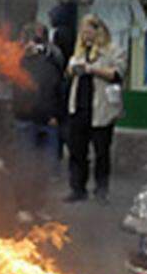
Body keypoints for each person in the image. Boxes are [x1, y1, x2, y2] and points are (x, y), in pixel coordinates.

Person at [64, 13, 125, 203]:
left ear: (99, 31)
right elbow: (68, 72)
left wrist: (93, 70)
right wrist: (74, 68)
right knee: (77, 151)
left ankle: (101, 191)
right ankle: (77, 188)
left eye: (89, 31)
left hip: (101, 109)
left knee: (101, 152)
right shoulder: (80, 52)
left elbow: (118, 73)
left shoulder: (113, 50)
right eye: (83, 32)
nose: (85, 36)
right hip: (79, 107)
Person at [12, 21, 66, 199]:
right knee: (25, 166)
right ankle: (23, 205)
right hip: (26, 119)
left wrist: (56, 114)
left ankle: (38, 205)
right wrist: (24, 56)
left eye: (37, 39)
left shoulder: (52, 57)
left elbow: (57, 86)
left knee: (45, 169)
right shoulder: (18, 59)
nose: (33, 44)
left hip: (47, 119)